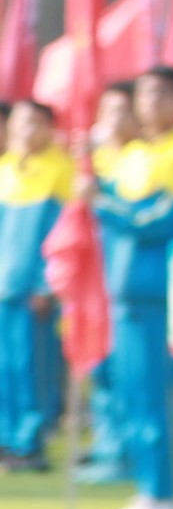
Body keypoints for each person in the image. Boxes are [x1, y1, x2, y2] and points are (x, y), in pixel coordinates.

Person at [91, 64, 173, 509]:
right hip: (124, 295)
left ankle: (162, 493)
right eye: (143, 94)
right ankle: (146, 488)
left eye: (160, 94)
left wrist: (101, 201)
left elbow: (154, 221)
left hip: (157, 293)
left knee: (155, 394)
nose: (149, 104)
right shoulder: (134, 154)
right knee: (133, 393)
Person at [1, 100, 78, 470]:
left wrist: (46, 285)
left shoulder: (61, 170)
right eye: (19, 123)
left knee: (31, 366)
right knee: (5, 367)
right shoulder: (5, 169)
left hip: (33, 292)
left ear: (49, 128)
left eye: (34, 123)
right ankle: (6, 438)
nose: (24, 131)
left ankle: (30, 443)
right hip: (4, 287)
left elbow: (61, 235)